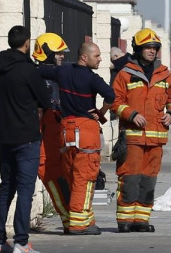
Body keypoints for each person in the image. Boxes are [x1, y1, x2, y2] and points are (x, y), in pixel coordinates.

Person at [40, 42, 115, 235]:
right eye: (97, 56)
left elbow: (41, 71)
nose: (100, 59)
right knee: (86, 178)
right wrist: (101, 112)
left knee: (72, 177)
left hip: (65, 131)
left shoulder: (63, 72)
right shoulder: (92, 78)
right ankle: (78, 224)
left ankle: (88, 221)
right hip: (86, 132)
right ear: (84, 57)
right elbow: (110, 95)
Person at [111, 28, 171, 233]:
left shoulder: (165, 74)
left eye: (155, 48)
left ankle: (141, 220)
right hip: (132, 138)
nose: (152, 51)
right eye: (148, 47)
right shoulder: (125, 74)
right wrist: (131, 114)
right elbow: (115, 100)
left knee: (149, 180)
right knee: (130, 178)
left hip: (156, 138)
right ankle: (125, 220)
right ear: (138, 49)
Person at [0, 25, 50, 253]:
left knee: (6, 187)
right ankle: (21, 242)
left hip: (5, 136)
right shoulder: (29, 70)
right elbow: (45, 100)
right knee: (26, 189)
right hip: (27, 137)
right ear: (27, 43)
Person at [32, 33, 71, 234]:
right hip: (43, 140)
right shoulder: (39, 76)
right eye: (58, 53)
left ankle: (70, 218)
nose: (62, 56)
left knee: (61, 177)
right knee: (52, 176)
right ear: (47, 53)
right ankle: (68, 219)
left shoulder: (56, 75)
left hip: (56, 137)